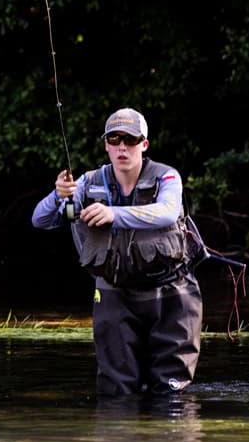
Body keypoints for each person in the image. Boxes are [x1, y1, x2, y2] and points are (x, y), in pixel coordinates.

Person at [31, 107, 203, 396]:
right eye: (115, 139)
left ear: (144, 144)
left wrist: (114, 214)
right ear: (106, 145)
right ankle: (120, 439)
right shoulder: (88, 181)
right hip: (114, 292)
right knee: (117, 392)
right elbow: (41, 220)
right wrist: (57, 195)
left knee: (171, 395)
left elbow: (167, 212)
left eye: (131, 140)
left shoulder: (167, 177)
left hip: (171, 293)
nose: (122, 147)